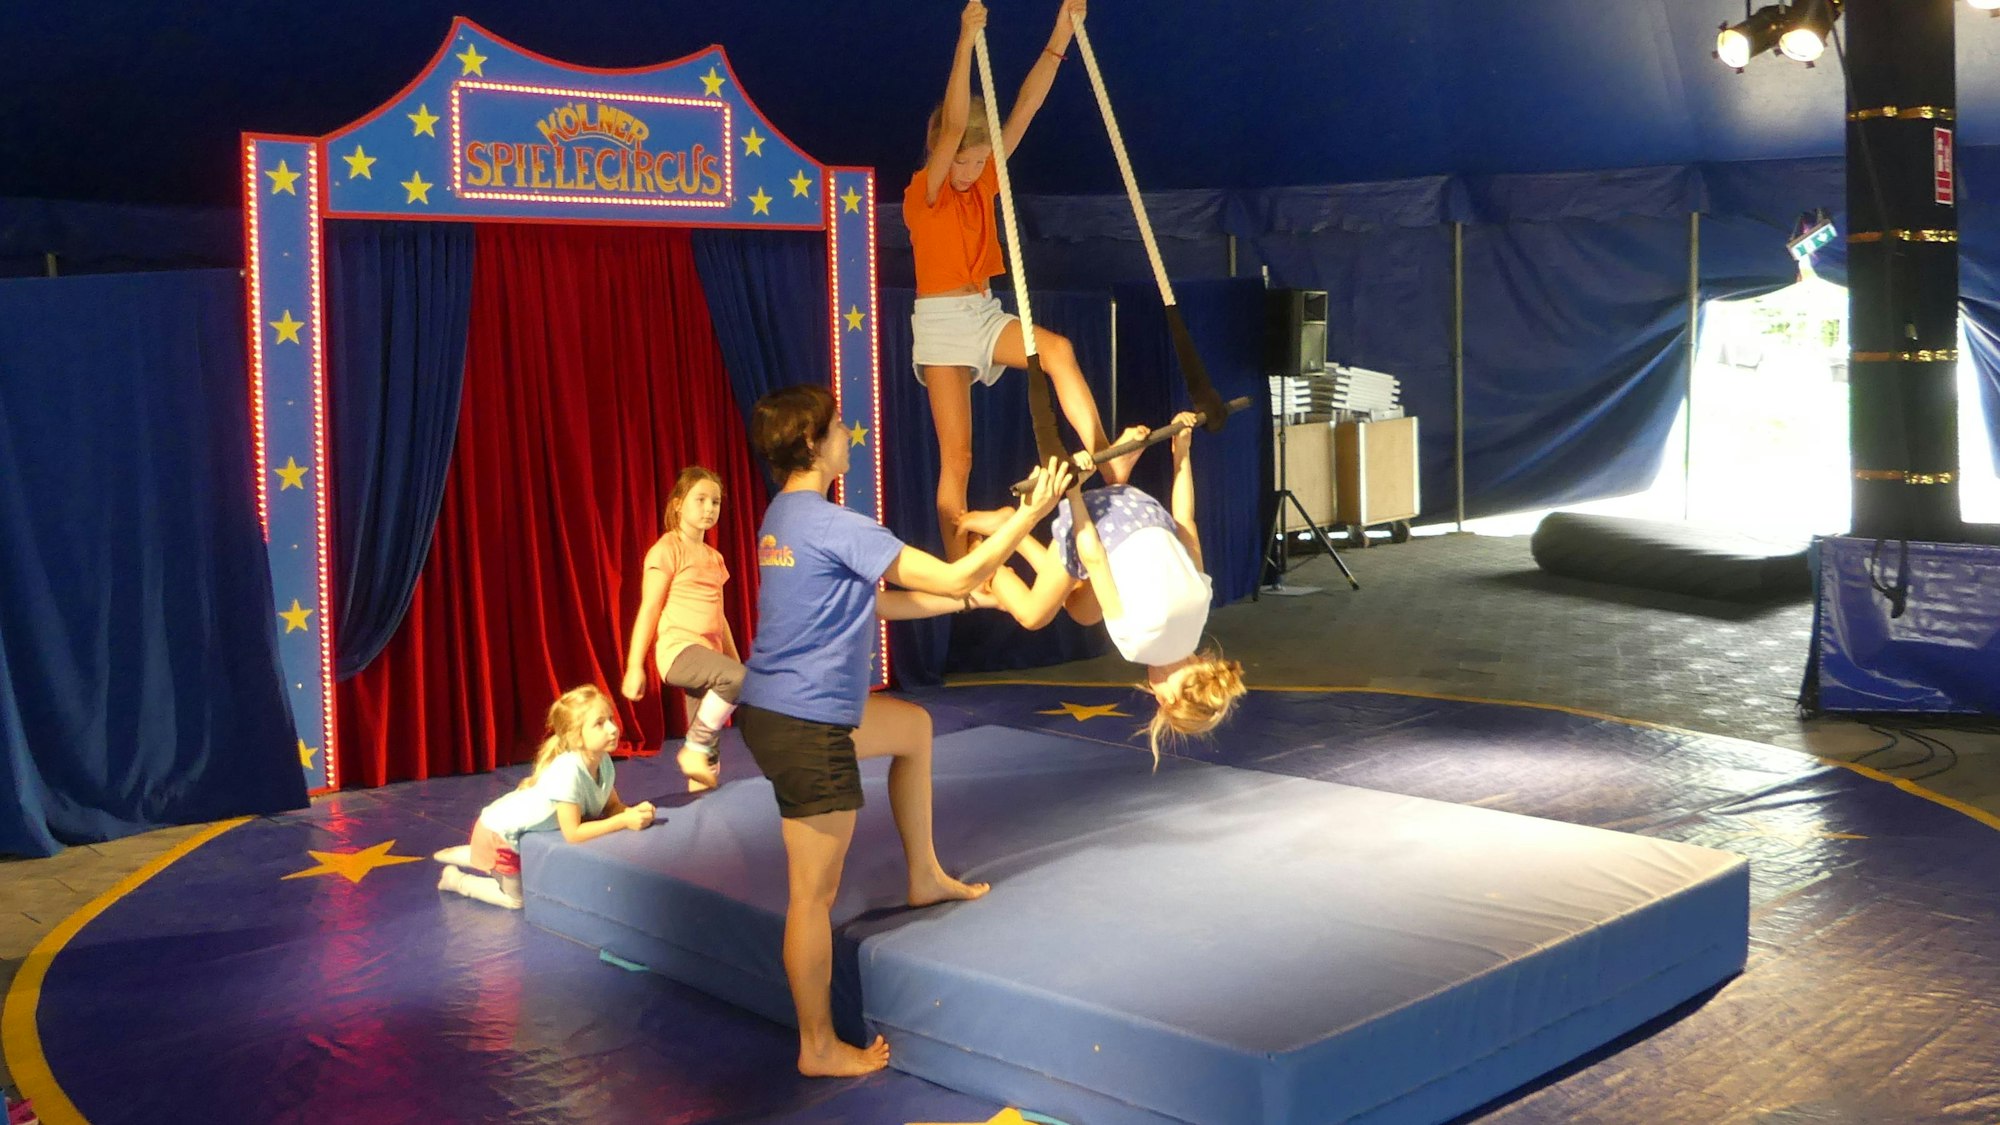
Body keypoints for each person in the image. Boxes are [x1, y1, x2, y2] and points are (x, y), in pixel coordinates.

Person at [739, 383, 1071, 1077]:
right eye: (837, 427)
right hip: (806, 723)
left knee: (912, 728)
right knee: (813, 896)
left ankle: (923, 873)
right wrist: (1032, 514)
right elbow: (955, 569)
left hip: (778, 708)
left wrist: (964, 599)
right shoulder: (837, 525)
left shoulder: (785, 518)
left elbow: (878, 602)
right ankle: (818, 1045)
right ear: (811, 444)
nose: (847, 435)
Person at [906, 0, 1111, 558]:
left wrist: (1059, 36)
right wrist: (966, 42)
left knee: (1059, 350)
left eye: (978, 162)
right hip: (942, 323)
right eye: (963, 162)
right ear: (942, 155)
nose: (971, 172)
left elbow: (1025, 106)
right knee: (959, 458)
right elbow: (952, 128)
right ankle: (959, 570)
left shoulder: (988, 176)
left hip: (982, 311)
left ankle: (1103, 460)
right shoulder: (928, 191)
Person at [964, 412, 1246, 762]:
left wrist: (1182, 451)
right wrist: (1076, 493)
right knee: (1033, 615)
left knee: (1082, 611)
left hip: (1140, 506)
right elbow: (1093, 557)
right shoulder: (1138, 645)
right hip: (1098, 526)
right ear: (1166, 698)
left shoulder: (1201, 613)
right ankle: (986, 553)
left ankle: (1107, 484)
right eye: (1155, 699)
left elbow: (1184, 521)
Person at [433, 685, 654, 909]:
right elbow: (573, 833)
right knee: (516, 900)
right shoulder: (569, 771)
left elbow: (612, 805)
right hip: (497, 836)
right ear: (576, 737)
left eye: (611, 719)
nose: (613, 729)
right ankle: (457, 879)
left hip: (503, 833)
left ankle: (474, 855)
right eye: (599, 724)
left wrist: (632, 812)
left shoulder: (603, 761)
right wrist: (623, 821)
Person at [622, 466, 742, 793]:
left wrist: (734, 659)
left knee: (707, 756)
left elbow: (720, 615)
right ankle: (693, 747)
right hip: (679, 652)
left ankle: (702, 805)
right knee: (702, 738)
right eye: (700, 499)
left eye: (715, 502)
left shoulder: (715, 558)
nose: (709, 508)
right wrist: (634, 667)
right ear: (678, 504)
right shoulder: (667, 549)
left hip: (708, 657)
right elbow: (650, 607)